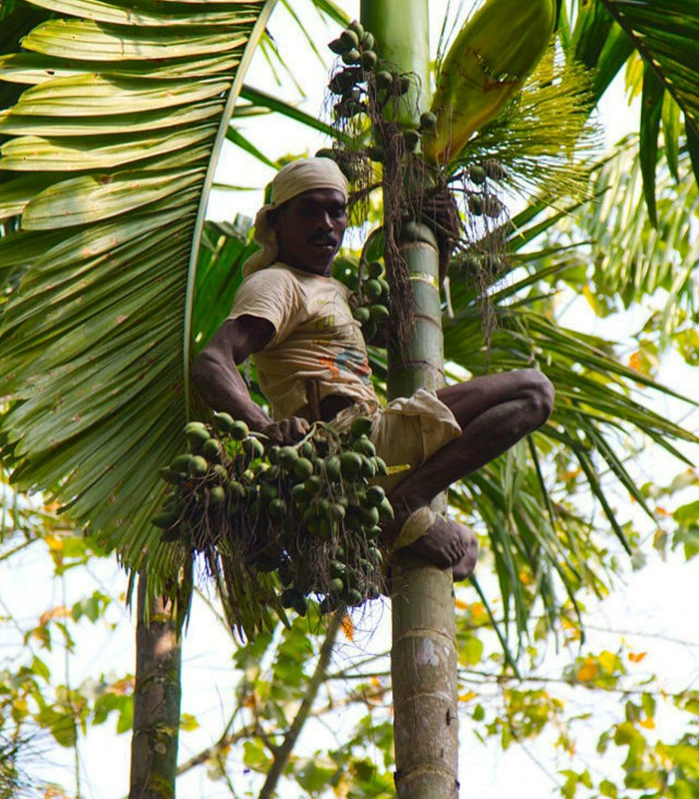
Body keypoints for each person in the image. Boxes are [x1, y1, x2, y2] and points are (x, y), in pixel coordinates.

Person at [191, 157, 554, 581]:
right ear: (278, 222)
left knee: (465, 553)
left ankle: (390, 518)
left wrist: (442, 242)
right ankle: (407, 502)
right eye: (309, 211)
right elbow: (212, 361)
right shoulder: (278, 283)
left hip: (364, 461)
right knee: (534, 391)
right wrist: (264, 427)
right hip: (341, 444)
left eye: (336, 211)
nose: (326, 223)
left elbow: (407, 334)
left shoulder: (335, 292)